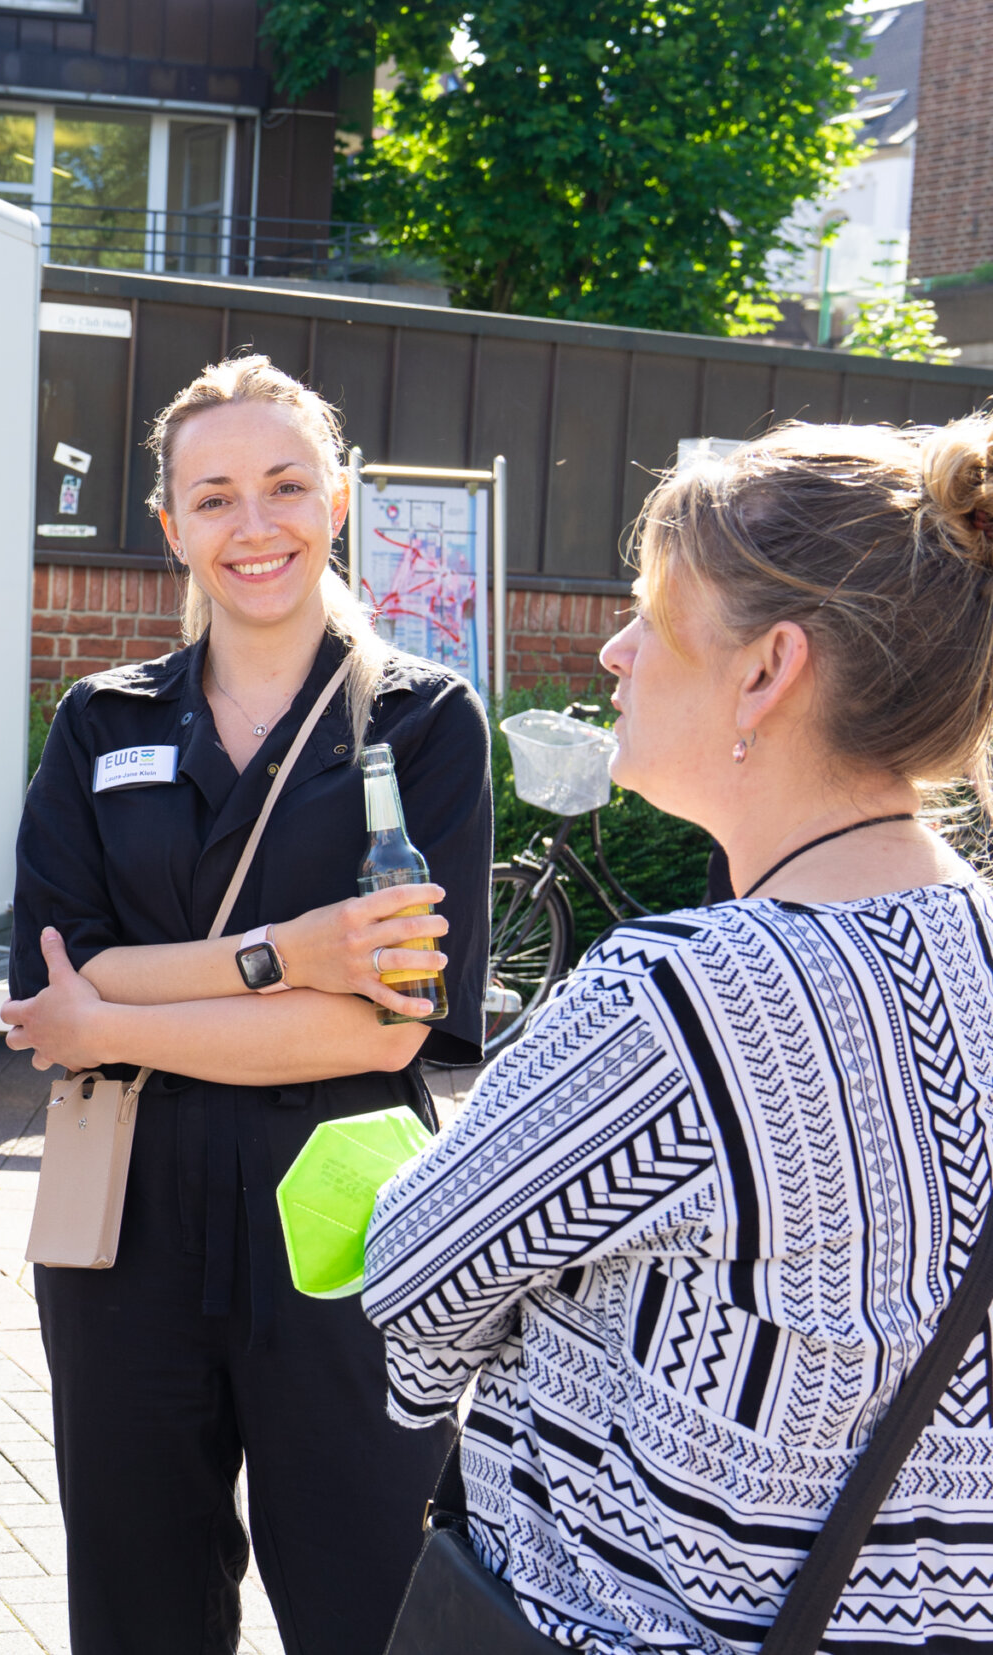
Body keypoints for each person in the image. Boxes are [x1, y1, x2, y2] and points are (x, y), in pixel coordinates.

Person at [366, 415, 993, 1649]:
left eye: (650, 615)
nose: (614, 651)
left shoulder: (684, 1000)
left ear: (767, 670)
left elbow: (412, 1278)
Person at [1, 354, 493, 1655]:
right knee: (137, 1607)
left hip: (342, 1211)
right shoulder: (100, 722)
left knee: (366, 1602)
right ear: (172, 526)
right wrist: (296, 950)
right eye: (213, 497)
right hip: (125, 1221)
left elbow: (388, 1022)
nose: (253, 523)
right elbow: (52, 975)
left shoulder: (421, 722)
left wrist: (114, 1018)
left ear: (337, 500)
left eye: (284, 485)